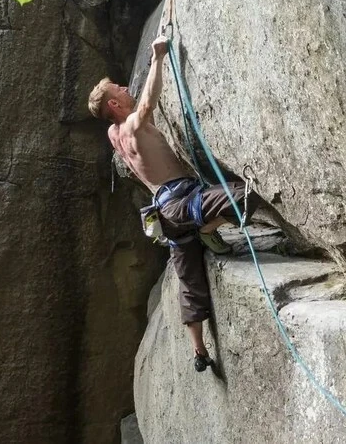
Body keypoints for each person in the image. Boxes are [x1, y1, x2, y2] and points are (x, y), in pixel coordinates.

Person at [87, 35, 260, 372]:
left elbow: (135, 110)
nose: (125, 87)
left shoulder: (113, 135)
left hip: (166, 215)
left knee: (190, 283)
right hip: (182, 203)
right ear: (114, 105)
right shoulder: (133, 126)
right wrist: (158, 57)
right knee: (243, 194)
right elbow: (148, 104)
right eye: (118, 89)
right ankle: (208, 228)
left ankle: (198, 352)